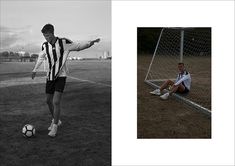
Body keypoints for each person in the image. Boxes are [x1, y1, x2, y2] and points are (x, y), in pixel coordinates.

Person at [32, 23, 100, 137]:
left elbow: (78, 46)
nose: (46, 38)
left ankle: (54, 127)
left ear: (53, 33)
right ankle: (56, 120)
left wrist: (90, 43)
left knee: (56, 101)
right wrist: (35, 69)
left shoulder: (63, 42)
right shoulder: (44, 46)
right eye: (44, 36)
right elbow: (41, 57)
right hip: (50, 77)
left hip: (61, 76)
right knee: (48, 101)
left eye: (48, 35)